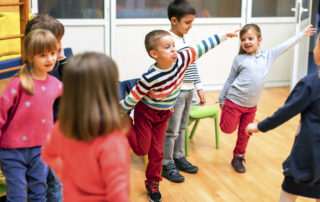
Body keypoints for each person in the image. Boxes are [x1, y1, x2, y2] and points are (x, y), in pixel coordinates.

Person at [121, 29, 238, 202]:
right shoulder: (150, 77)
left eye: (174, 45)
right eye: (167, 47)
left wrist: (224, 36)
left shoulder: (182, 59)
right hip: (145, 113)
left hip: (163, 115)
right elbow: (133, 97)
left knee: (157, 153)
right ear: (154, 54)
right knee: (141, 150)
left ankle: (153, 183)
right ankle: (123, 121)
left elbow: (201, 47)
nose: (174, 49)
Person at [219, 24, 316, 173]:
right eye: (243, 39)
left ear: (259, 40)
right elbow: (229, 80)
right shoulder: (239, 59)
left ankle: (238, 157)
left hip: (251, 106)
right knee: (227, 129)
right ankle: (230, 119)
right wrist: (222, 100)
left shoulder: (268, 55)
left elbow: (286, 45)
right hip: (234, 102)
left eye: (250, 38)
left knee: (245, 133)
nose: (247, 42)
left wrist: (303, 34)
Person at [41, 52, 130, 202]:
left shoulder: (61, 128)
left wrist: (67, 173)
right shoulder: (113, 140)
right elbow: (118, 193)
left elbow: (47, 154)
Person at [245, 33, 320, 202]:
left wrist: (258, 126)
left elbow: (286, 112)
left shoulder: (311, 83)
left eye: (316, 45)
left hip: (309, 152)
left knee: (290, 188)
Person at [0, 29, 62, 201]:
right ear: (30, 57)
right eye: (42, 55)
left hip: (40, 150)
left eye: (52, 53)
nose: (49, 58)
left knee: (38, 193)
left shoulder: (55, 84)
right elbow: (1, 113)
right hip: (12, 151)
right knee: (17, 195)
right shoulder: (18, 84)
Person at [162, 0, 204, 183]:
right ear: (174, 20)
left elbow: (192, 64)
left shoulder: (189, 39)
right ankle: (166, 163)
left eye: (191, 22)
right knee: (171, 130)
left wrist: (199, 87)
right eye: (187, 22)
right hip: (176, 92)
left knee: (182, 127)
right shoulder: (167, 41)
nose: (190, 26)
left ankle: (178, 157)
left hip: (189, 90)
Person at [25, 14, 66, 202]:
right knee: (47, 182)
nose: (60, 46)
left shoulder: (55, 63)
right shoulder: (35, 75)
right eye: (56, 41)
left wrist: (63, 58)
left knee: (57, 181)